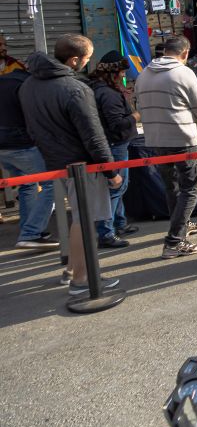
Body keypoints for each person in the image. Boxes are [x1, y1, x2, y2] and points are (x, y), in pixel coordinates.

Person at [21, 35, 123, 295]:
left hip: (56, 160)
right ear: (74, 59)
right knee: (84, 220)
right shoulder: (75, 88)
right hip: (81, 164)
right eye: (87, 58)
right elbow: (93, 134)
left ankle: (76, 271)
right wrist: (111, 171)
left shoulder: (29, 84)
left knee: (80, 218)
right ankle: (82, 278)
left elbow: (32, 128)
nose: (88, 63)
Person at [135, 36, 197, 259]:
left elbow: (139, 105)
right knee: (191, 188)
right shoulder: (184, 73)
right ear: (185, 53)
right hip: (183, 139)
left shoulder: (144, 74)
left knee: (172, 187)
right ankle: (174, 241)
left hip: (156, 140)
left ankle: (181, 226)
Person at [88, 51, 140, 249]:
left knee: (119, 187)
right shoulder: (108, 94)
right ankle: (106, 232)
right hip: (115, 145)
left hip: (113, 144)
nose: (124, 76)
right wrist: (135, 116)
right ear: (114, 73)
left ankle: (119, 223)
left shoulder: (96, 88)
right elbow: (117, 123)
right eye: (122, 72)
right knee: (115, 187)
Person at [0, 66, 55, 249]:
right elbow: (36, 116)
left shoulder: (5, 81)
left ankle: (30, 232)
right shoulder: (28, 85)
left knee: (28, 184)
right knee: (51, 183)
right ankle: (31, 232)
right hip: (21, 144)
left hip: (3, 148)